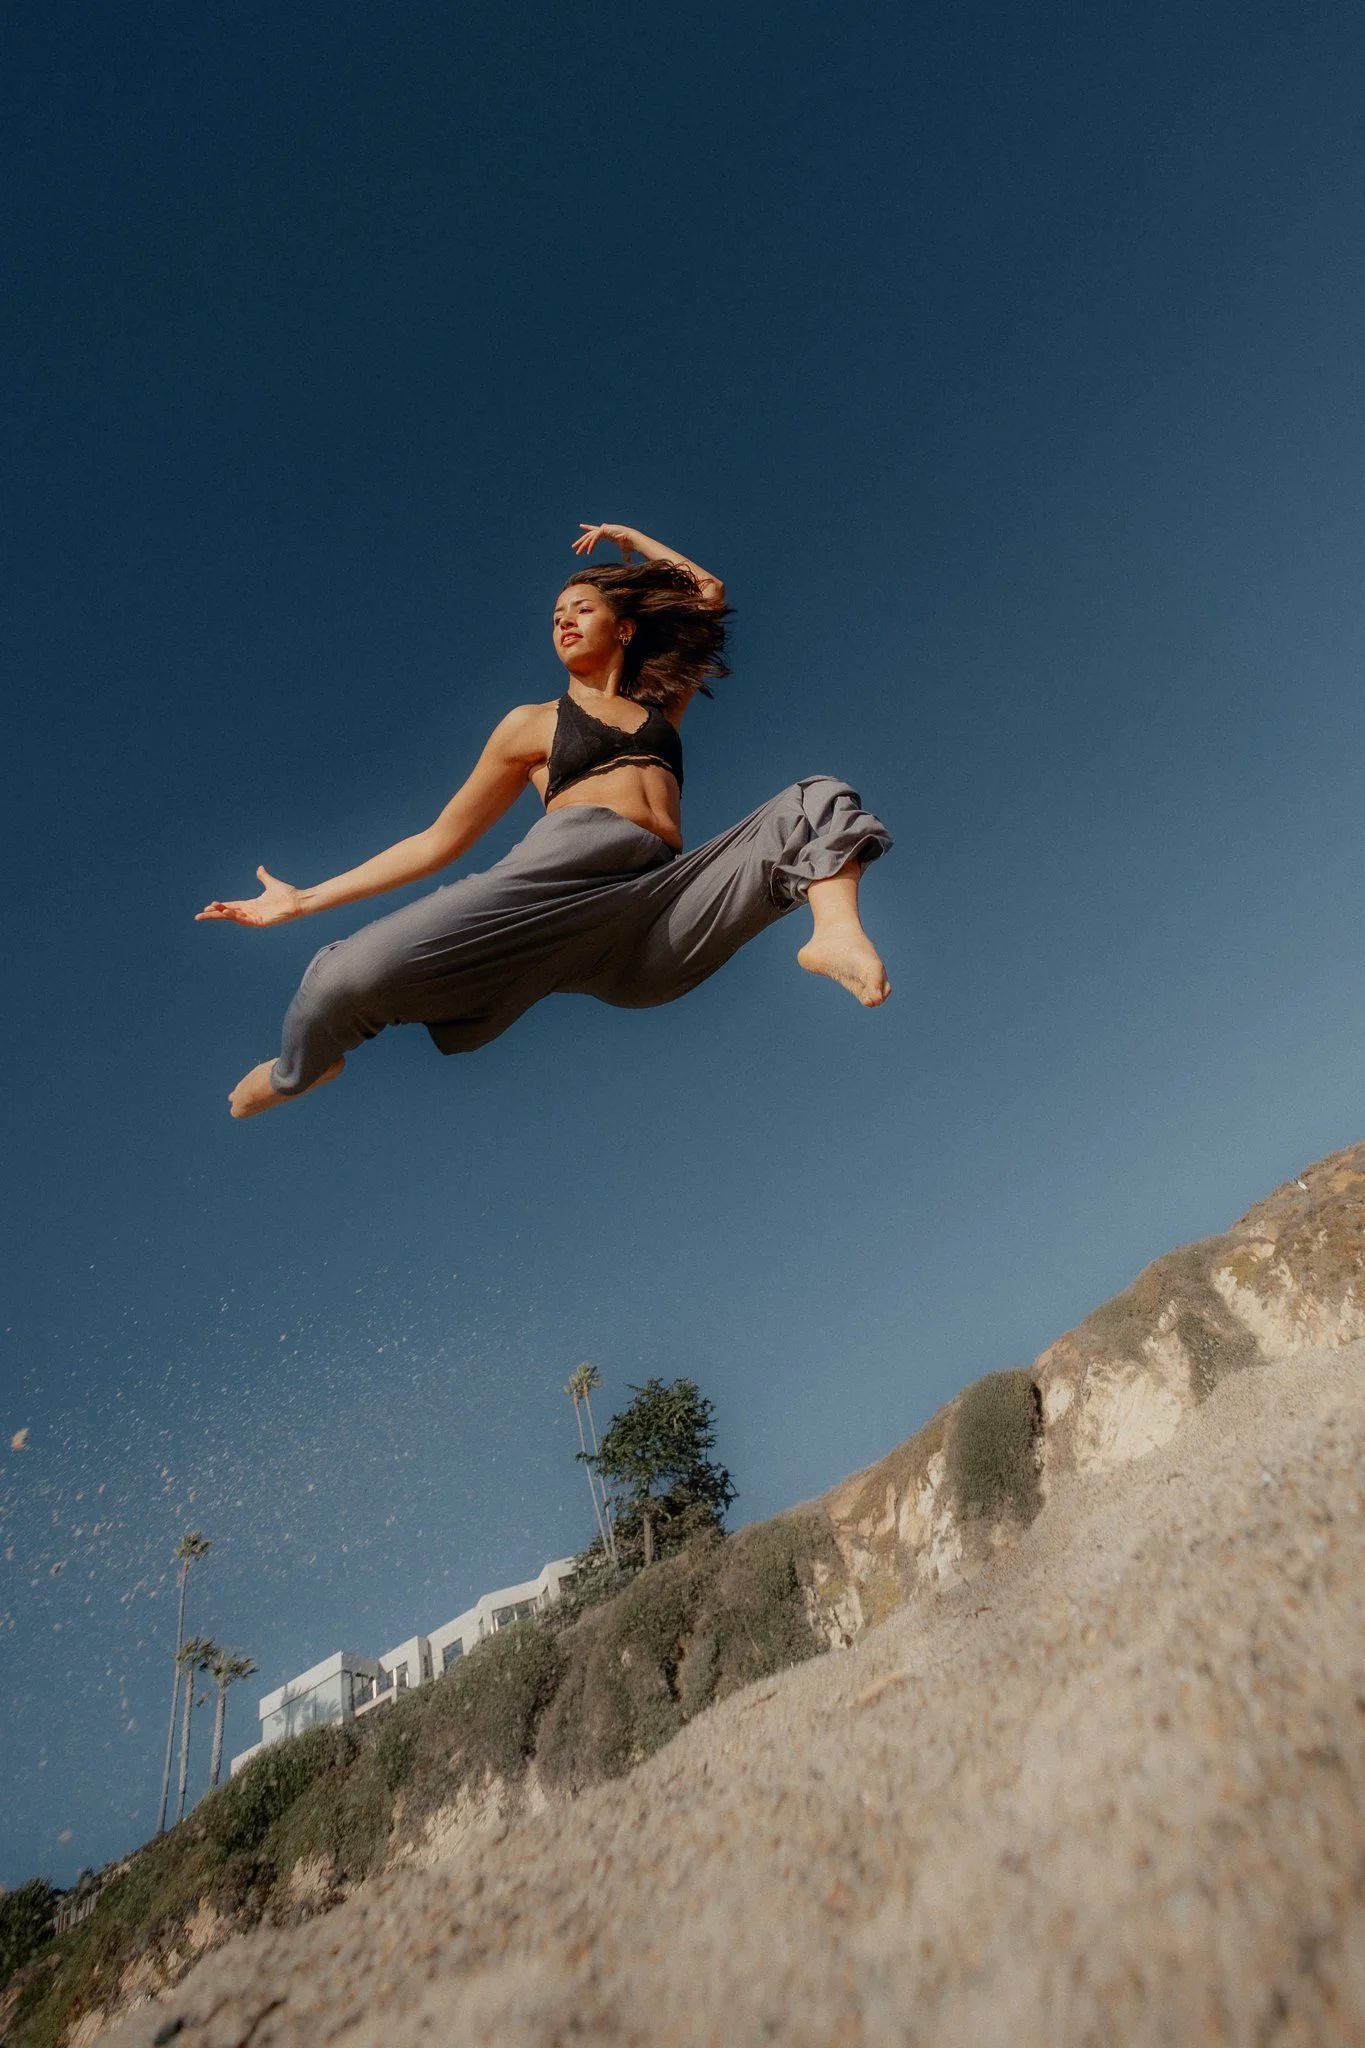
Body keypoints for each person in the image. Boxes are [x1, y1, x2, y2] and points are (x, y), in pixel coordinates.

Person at [198, 524, 893, 1119]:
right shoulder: (530, 724)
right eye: (556, 612)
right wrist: (303, 900)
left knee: (817, 796)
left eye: (581, 608)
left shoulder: (659, 709)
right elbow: (439, 839)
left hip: (654, 913)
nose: (562, 620)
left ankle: (833, 933)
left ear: (622, 628)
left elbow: (705, 592)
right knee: (348, 977)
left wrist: (631, 540)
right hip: (551, 886)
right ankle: (301, 1070)